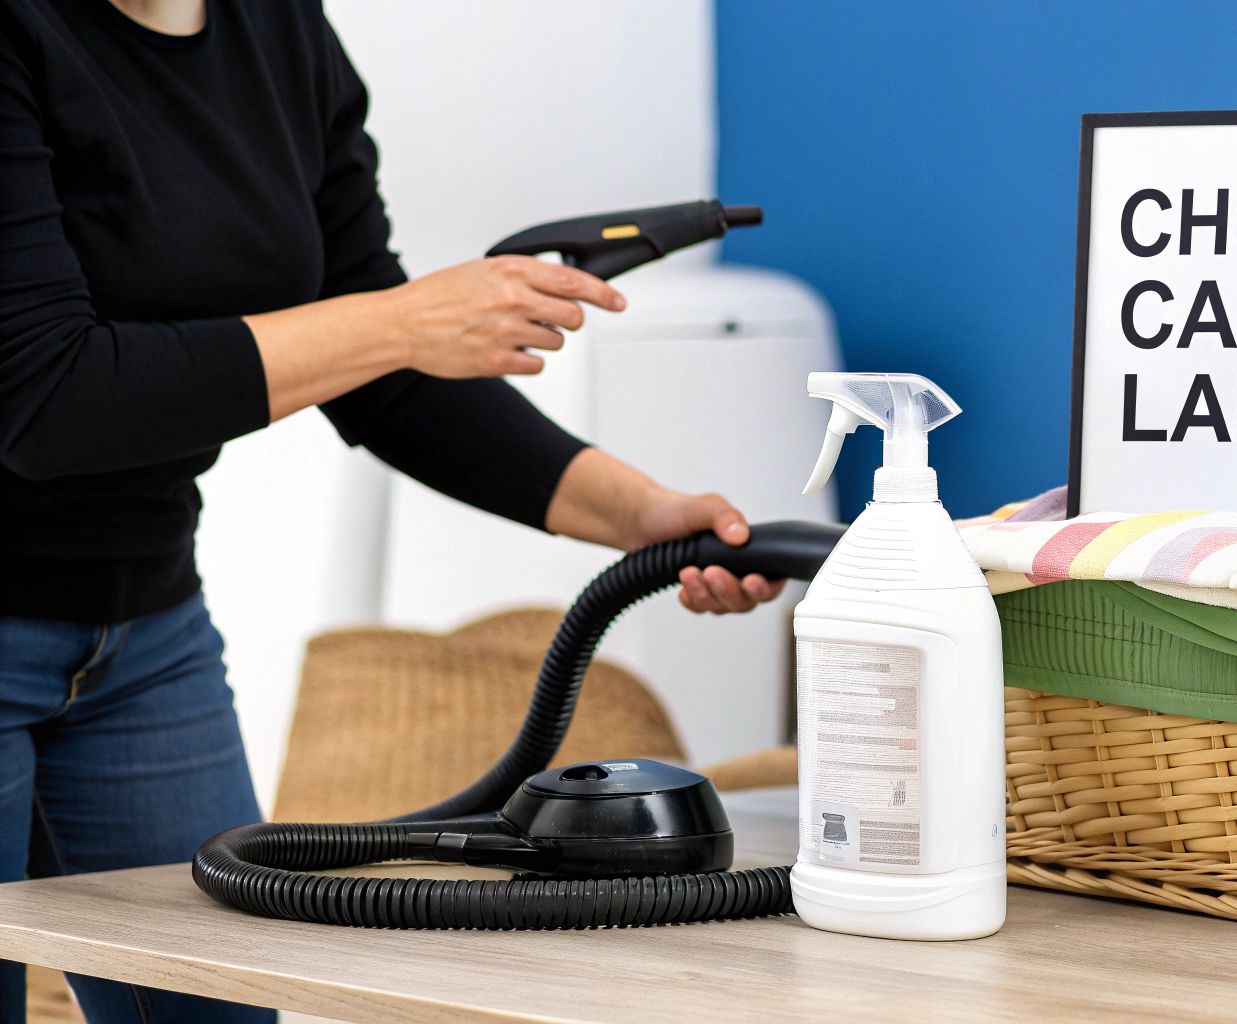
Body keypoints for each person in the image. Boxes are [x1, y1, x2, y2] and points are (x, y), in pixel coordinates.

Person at [0, 2, 783, 1020]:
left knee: (213, 1006)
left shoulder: (273, 25)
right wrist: (402, 321)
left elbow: (389, 374)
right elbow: (49, 397)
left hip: (144, 630)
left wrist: (637, 514)